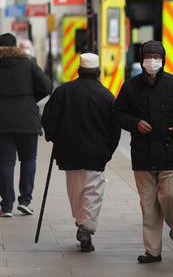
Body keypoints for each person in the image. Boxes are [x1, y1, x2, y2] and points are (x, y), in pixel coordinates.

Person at [114, 41, 173, 264]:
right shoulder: (130, 87)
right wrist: (135, 123)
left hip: (169, 154)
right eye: (148, 56)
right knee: (149, 205)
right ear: (141, 58)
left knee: (170, 197)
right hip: (143, 156)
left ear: (163, 59)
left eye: (156, 56)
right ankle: (152, 252)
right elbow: (117, 113)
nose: (152, 60)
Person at [41, 53, 121, 252]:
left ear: (78, 71)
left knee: (75, 190)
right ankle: (85, 226)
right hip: (96, 152)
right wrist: (108, 150)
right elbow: (115, 129)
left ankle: (81, 223)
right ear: (98, 73)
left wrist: (52, 137)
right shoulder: (107, 96)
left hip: (69, 150)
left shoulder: (63, 92)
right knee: (93, 191)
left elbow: (49, 118)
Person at [0, 32, 52, 217]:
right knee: (28, 160)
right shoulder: (28, 63)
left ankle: (6, 206)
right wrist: (29, 99)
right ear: (16, 46)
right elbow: (46, 86)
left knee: (5, 162)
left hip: (2, 122)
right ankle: (25, 201)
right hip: (27, 120)